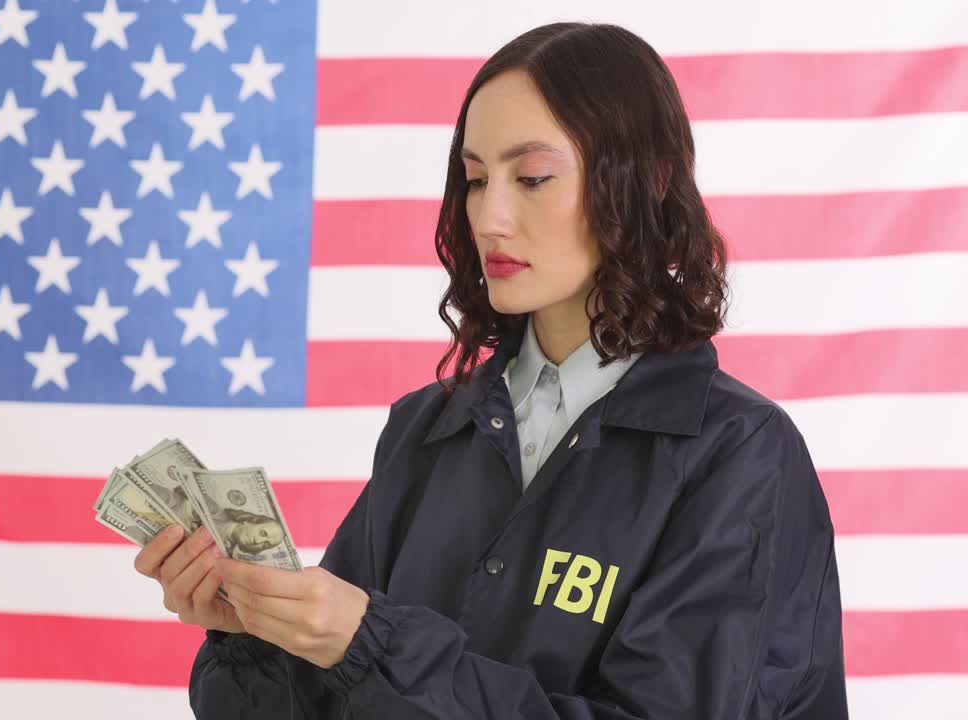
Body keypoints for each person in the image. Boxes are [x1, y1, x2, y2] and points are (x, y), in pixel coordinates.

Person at [133, 21, 848, 719]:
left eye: (533, 177)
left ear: (651, 181)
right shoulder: (424, 430)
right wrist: (254, 636)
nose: (490, 217)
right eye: (476, 179)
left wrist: (372, 643)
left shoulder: (740, 453)